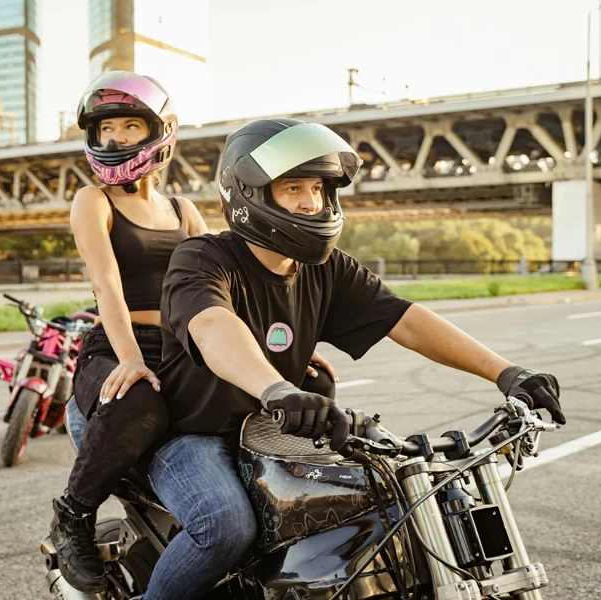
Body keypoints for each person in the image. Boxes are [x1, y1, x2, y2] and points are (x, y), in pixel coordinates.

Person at [133, 118, 566, 599]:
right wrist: (278, 389)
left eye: (317, 187)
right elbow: (215, 328)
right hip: (196, 437)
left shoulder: (326, 269)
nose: (309, 202)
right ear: (249, 194)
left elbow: (406, 320)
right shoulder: (203, 258)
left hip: (283, 436)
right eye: (292, 187)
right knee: (225, 526)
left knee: (385, 503)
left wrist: (507, 372)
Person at [47, 71, 207, 594]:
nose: (115, 139)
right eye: (106, 129)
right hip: (113, 346)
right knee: (139, 402)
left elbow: (218, 293)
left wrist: (279, 361)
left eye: (129, 127)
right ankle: (72, 518)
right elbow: (107, 287)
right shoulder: (93, 201)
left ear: (160, 131)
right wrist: (130, 359)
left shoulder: (185, 212)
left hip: (182, 348)